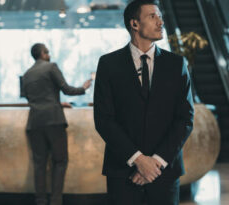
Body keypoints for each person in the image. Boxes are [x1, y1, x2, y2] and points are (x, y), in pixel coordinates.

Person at [93, 0, 194, 204]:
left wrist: (154, 163)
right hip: (123, 172)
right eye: (153, 16)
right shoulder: (108, 64)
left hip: (164, 173)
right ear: (135, 24)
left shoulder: (177, 64)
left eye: (160, 17)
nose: (160, 22)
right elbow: (104, 119)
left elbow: (185, 119)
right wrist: (138, 160)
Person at [22, 43, 92, 205]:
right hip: (53, 120)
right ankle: (56, 201)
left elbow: (31, 98)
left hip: (34, 122)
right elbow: (66, 89)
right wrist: (83, 88)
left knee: (39, 164)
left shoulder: (26, 74)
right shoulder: (51, 67)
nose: (49, 54)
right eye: (47, 51)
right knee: (59, 161)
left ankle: (40, 201)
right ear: (43, 53)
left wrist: (56, 102)